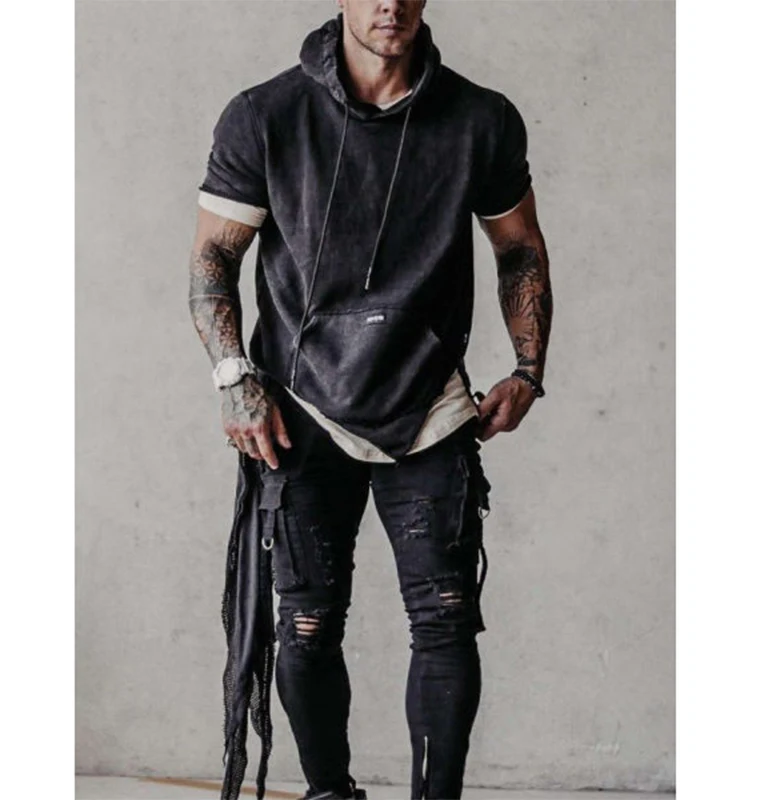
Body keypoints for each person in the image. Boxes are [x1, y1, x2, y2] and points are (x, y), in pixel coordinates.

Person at [188, 2, 552, 799]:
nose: (390, 3)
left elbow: (519, 248)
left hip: (429, 406)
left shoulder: (479, 119)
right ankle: (330, 793)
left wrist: (528, 368)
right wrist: (236, 379)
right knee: (307, 622)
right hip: (302, 407)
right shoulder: (266, 115)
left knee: (446, 615)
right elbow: (214, 257)